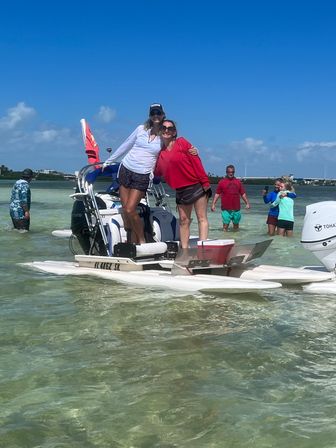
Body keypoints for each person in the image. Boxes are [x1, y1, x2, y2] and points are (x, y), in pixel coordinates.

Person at [102, 103, 166, 244]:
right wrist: (108, 161)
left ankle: (142, 240)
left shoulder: (165, 136)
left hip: (142, 175)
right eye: (153, 113)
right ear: (150, 115)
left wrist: (191, 150)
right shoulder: (140, 129)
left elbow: (174, 150)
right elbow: (126, 145)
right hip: (126, 169)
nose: (156, 115)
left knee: (131, 209)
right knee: (125, 210)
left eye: (158, 112)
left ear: (163, 115)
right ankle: (131, 242)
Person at [154, 119, 211, 249]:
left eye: (170, 128)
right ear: (160, 131)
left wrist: (205, 182)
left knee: (201, 218)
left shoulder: (182, 143)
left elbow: (196, 161)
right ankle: (184, 251)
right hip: (180, 190)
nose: (167, 130)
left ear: (174, 132)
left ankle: (202, 250)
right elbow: (157, 171)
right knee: (184, 221)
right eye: (164, 128)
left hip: (196, 185)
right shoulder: (159, 152)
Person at [211, 164, 250, 231]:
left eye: (232, 172)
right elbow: (217, 194)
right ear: (226, 172)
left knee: (236, 226)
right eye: (229, 172)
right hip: (226, 209)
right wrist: (213, 204)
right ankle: (224, 238)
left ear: (234, 172)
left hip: (236, 208)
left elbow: (242, 193)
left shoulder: (238, 182)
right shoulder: (222, 182)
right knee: (225, 226)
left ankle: (236, 239)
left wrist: (247, 203)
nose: (231, 173)